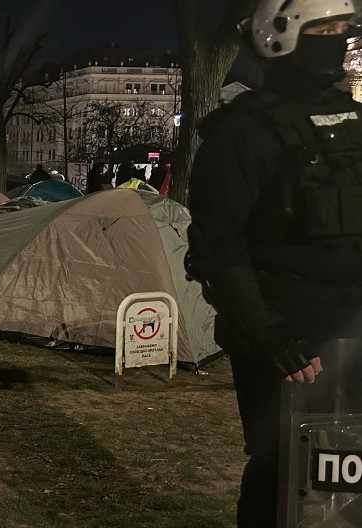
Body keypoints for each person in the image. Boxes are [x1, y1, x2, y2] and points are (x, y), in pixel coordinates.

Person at [186, 2, 362, 525]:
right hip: (292, 341)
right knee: (282, 472)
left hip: (354, 326)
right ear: (281, 37)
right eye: (322, 31)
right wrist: (273, 337)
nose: (335, 42)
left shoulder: (351, 120)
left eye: (340, 30)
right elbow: (218, 246)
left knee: (347, 473)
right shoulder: (240, 132)